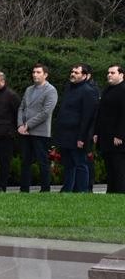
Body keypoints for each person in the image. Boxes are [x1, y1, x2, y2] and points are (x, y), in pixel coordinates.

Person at [54, 64, 99, 193]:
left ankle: (83, 190)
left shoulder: (88, 91)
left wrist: (82, 137)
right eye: (72, 71)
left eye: (76, 72)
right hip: (65, 133)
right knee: (68, 163)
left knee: (80, 163)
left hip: (78, 135)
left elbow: (88, 117)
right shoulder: (69, 88)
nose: (72, 74)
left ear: (84, 76)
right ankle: (67, 188)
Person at [18, 64, 59, 193]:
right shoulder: (29, 89)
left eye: (38, 72)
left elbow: (46, 113)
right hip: (25, 132)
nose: (35, 74)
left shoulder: (50, 90)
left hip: (40, 132)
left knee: (42, 162)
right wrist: (20, 125)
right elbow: (21, 107)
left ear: (45, 75)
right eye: (33, 72)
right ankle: (24, 189)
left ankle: (45, 190)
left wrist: (27, 125)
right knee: (25, 161)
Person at [94, 65, 125, 194]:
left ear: (122, 75)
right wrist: (96, 132)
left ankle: (120, 192)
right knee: (110, 167)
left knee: (118, 168)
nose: (109, 75)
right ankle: (111, 192)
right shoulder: (107, 89)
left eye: (113, 72)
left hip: (118, 138)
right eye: (108, 73)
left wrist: (120, 135)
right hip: (106, 136)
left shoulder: (123, 90)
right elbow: (100, 112)